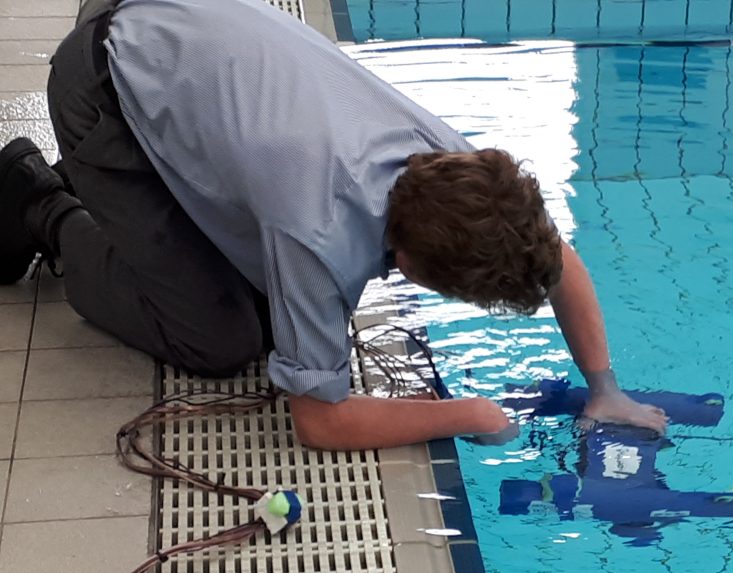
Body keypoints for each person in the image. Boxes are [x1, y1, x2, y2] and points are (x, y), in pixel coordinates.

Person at [0, 0, 666, 450]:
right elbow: (319, 419)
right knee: (221, 337)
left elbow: (557, 261)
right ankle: (44, 203)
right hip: (99, 80)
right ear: (407, 263)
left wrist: (605, 389)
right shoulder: (317, 230)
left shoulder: (449, 165)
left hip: (184, 26)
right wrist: (468, 413)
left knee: (266, 304)